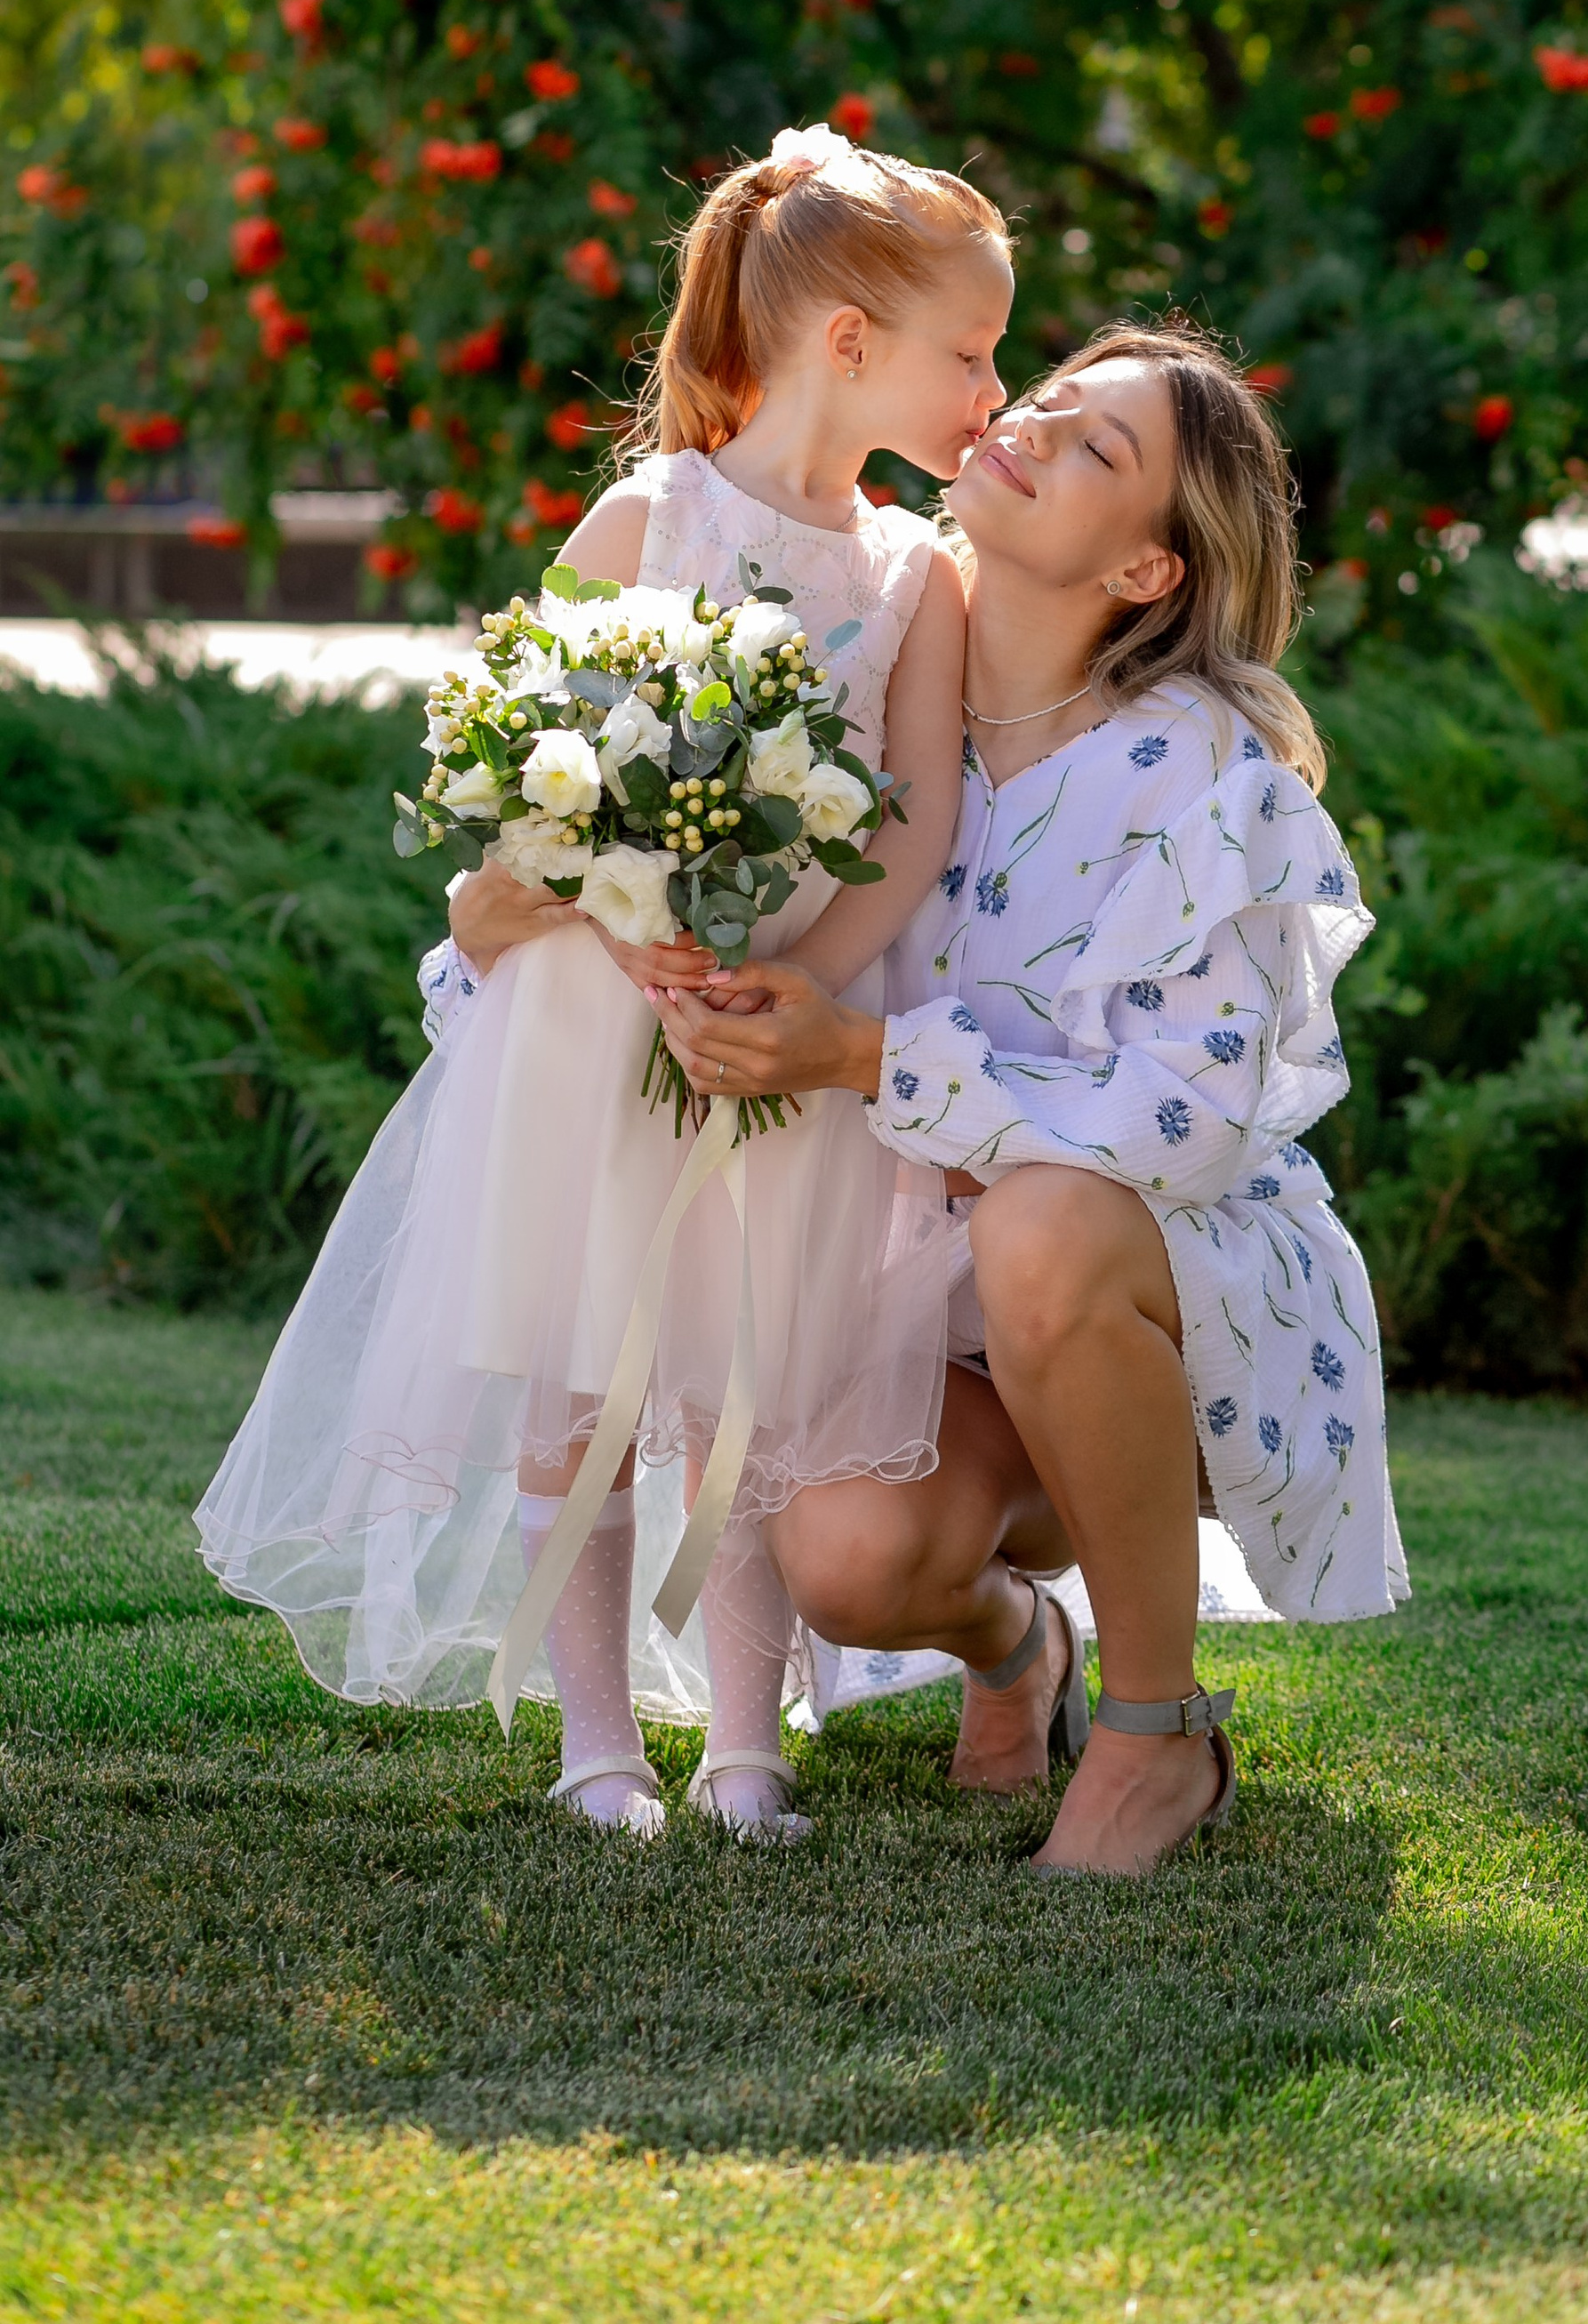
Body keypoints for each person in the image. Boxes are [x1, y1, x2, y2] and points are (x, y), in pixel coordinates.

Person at [197, 126, 1012, 1842]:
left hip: (771, 1033)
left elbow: (918, 822)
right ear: (849, 342)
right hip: (596, 1014)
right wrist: (622, 903)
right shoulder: (656, 516)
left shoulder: (914, 574)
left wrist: (795, 985)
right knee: (584, 1381)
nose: (993, 391)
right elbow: (528, 780)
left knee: (749, 1386)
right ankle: (593, 1745)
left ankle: (743, 1745)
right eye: (973, 350)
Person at [650, 322, 1408, 1877]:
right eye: (1047, 399)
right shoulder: (847, 675)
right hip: (941, 1305)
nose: (1033, 426)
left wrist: (863, 1061)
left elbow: (1183, 1127)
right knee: (851, 1563)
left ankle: (1155, 1733)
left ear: (1145, 571)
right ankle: (1022, 1652)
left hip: (1169, 1297)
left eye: (1096, 448)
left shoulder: (1202, 775)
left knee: (1048, 1224)